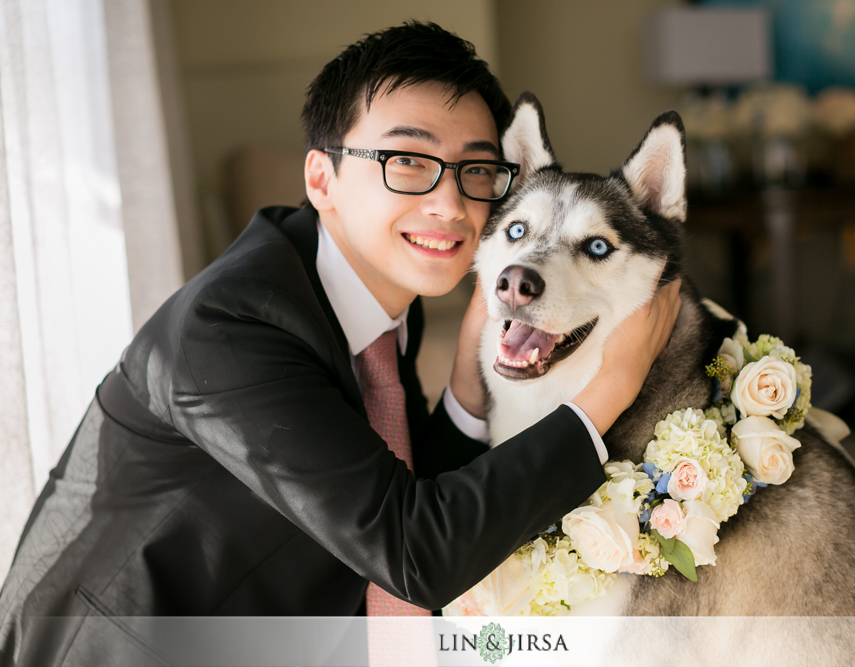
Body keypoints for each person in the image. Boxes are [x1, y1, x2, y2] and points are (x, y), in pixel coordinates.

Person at [0, 22, 680, 665]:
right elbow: (417, 551)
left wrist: (470, 381)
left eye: (476, 170)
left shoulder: (376, 305)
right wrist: (605, 394)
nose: (450, 203)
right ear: (321, 179)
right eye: (408, 162)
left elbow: (396, 494)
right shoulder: (229, 329)